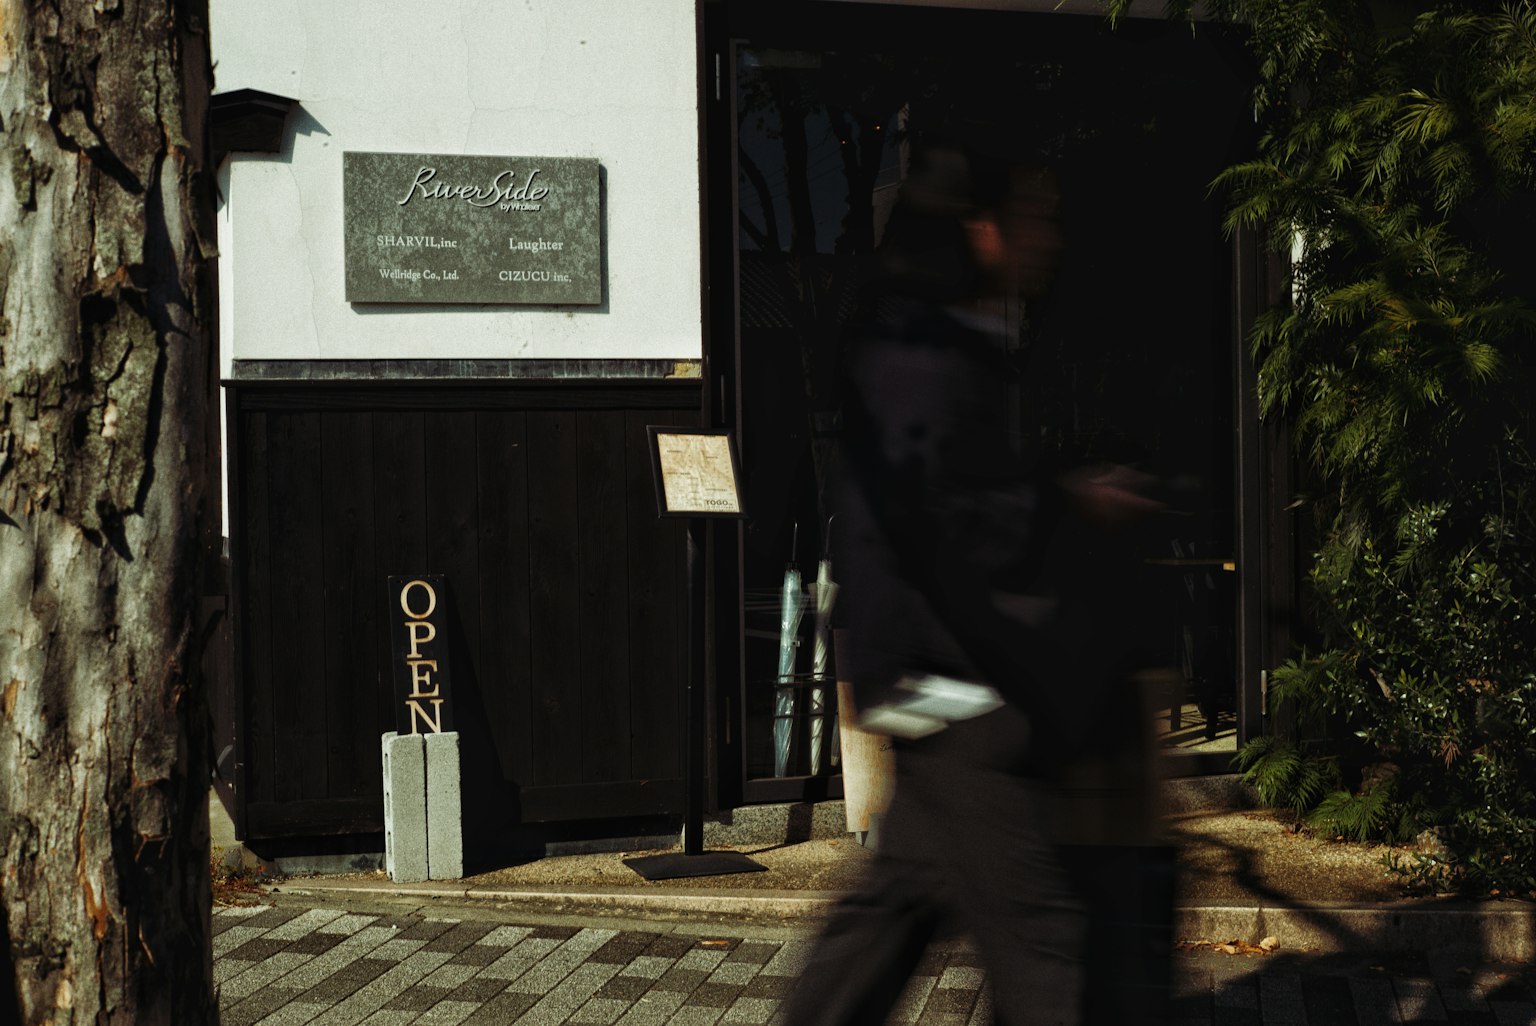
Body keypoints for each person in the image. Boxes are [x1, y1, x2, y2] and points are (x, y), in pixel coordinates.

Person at [783, 144, 1153, 1026]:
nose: (1048, 240)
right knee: (1042, 939)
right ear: (983, 229)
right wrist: (1068, 504)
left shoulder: (941, 338)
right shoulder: (926, 349)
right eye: (1035, 218)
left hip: (925, 675)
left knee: (890, 914)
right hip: (953, 680)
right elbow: (939, 510)